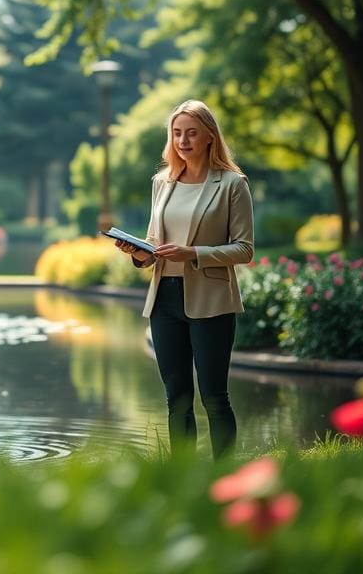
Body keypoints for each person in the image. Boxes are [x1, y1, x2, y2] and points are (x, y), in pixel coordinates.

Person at [115, 100, 253, 459]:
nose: (183, 140)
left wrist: (193, 253)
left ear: (210, 136)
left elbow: (244, 249)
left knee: (214, 396)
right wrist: (139, 253)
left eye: (191, 133)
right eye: (177, 133)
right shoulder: (162, 182)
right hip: (165, 300)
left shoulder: (233, 184)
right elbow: (155, 244)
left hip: (211, 300)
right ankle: (183, 477)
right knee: (176, 397)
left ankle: (225, 475)